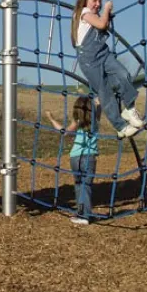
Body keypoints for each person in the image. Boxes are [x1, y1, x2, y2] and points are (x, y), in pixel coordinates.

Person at [71, 0, 145, 139]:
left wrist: (107, 15)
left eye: (100, 1)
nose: (98, 4)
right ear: (85, 0)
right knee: (104, 92)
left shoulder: (95, 15)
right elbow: (101, 24)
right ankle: (121, 127)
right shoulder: (83, 13)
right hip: (89, 59)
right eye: (94, 0)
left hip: (103, 53)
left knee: (123, 74)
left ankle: (129, 108)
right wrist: (106, 9)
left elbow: (104, 27)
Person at [45, 96, 102, 225]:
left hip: (76, 157)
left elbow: (64, 132)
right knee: (86, 186)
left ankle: (83, 215)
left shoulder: (77, 122)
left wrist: (51, 118)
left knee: (79, 186)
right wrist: (98, 103)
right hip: (90, 157)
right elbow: (99, 109)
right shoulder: (95, 120)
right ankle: (83, 214)